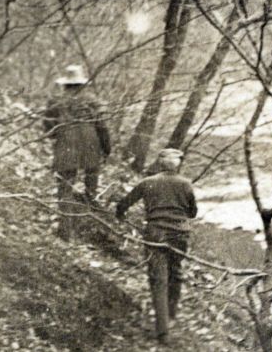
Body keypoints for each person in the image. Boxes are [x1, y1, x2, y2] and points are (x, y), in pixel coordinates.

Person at [115, 148, 196, 345]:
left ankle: (163, 332)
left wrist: (120, 214)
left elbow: (125, 203)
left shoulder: (147, 183)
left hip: (155, 234)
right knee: (176, 273)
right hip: (179, 234)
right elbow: (192, 212)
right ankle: (171, 315)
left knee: (158, 280)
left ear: (160, 163)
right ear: (177, 164)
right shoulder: (186, 184)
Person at [44, 64, 111, 205]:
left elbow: (48, 126)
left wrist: (57, 136)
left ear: (65, 84)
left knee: (65, 184)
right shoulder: (92, 100)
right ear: (82, 83)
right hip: (91, 142)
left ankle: (65, 216)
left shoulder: (55, 101)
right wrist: (106, 148)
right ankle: (90, 208)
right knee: (92, 178)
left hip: (66, 143)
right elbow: (102, 126)